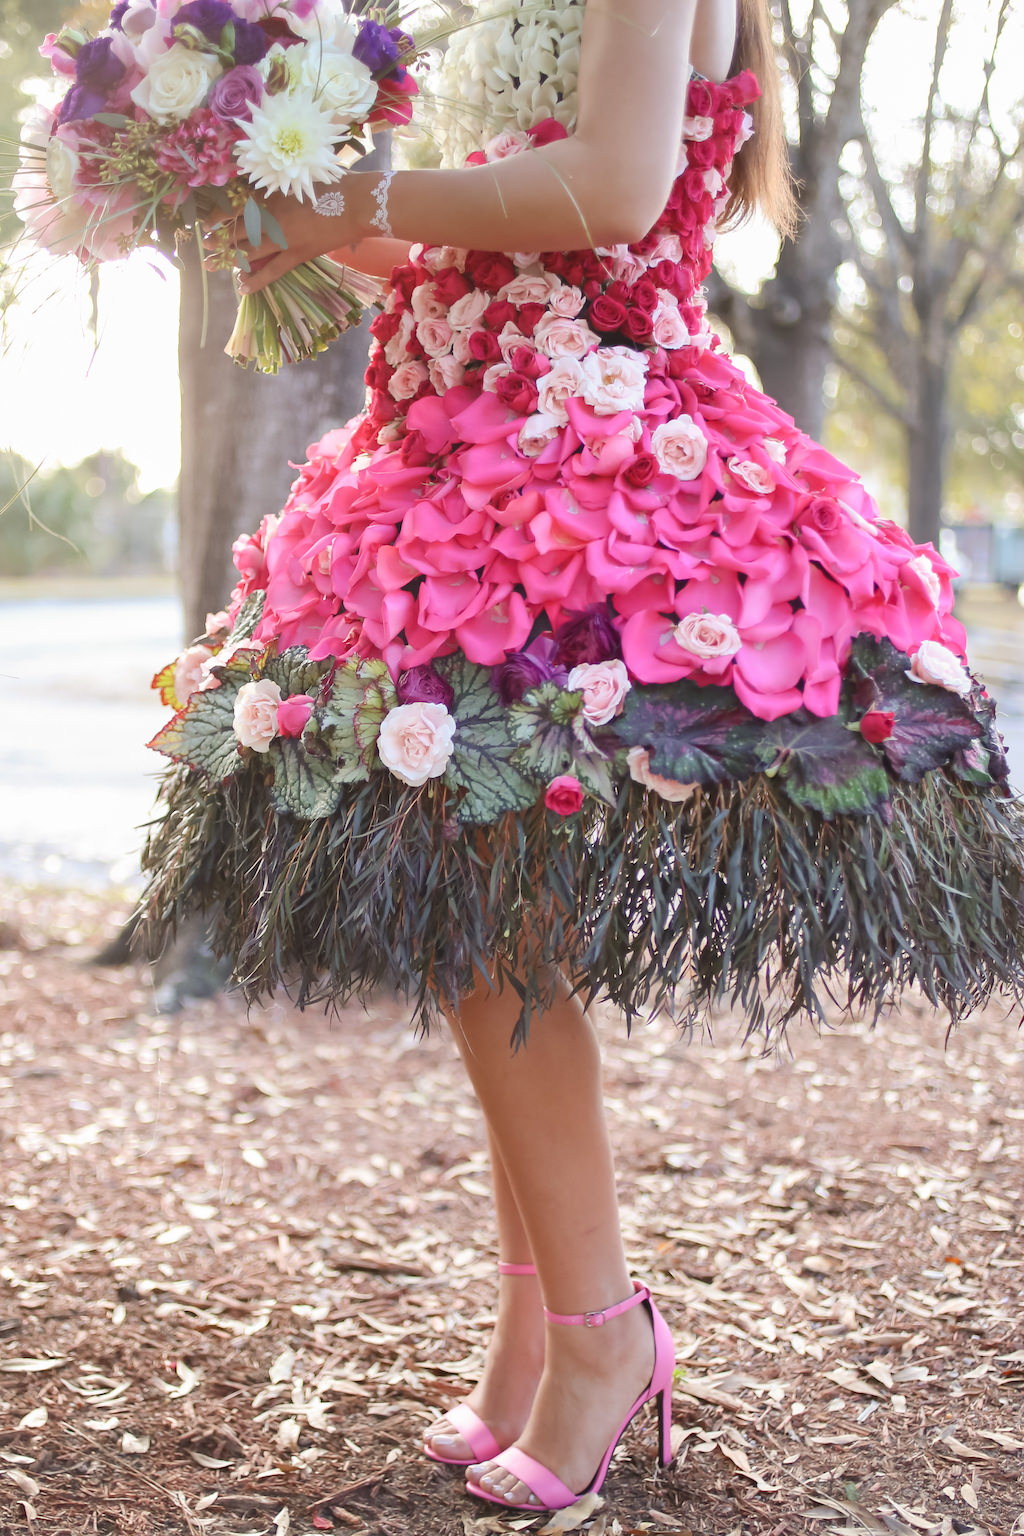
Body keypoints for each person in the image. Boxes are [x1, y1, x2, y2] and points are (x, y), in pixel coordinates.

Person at [142, 0, 1024, 1513]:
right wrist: (280, 215)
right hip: (458, 435)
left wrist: (355, 195)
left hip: (590, 451)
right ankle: (541, 1331)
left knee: (489, 919)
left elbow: (614, 191)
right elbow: (484, 237)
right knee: (487, 918)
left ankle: (604, 1337)